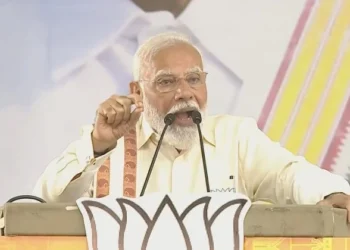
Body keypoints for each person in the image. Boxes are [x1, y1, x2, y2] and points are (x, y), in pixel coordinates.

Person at [33, 32, 350, 220]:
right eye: (167, 81)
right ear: (136, 92)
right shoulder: (105, 146)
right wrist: (97, 144)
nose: (185, 93)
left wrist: (333, 191)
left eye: (194, 79)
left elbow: (288, 175)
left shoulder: (235, 137)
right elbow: (44, 205)